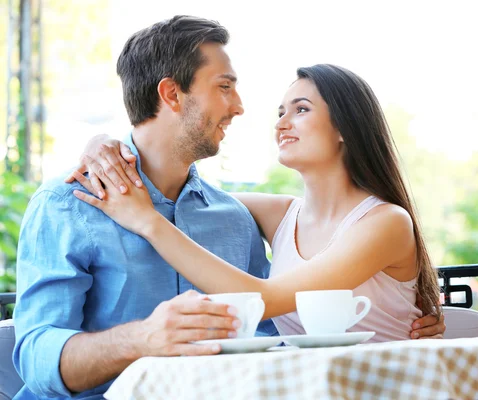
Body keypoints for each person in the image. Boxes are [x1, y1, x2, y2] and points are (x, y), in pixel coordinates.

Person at [14, 16, 443, 400]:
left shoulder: (234, 217)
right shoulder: (68, 205)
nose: (240, 107)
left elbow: (265, 330)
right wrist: (142, 339)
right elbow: (35, 360)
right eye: (225, 86)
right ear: (171, 94)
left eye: (300, 109)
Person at [70, 63, 443, 342]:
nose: (281, 124)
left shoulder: (386, 222)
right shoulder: (278, 215)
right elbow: (171, 191)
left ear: (345, 127)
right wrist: (102, 145)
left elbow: (264, 301)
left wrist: (148, 222)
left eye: (300, 110)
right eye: (280, 113)